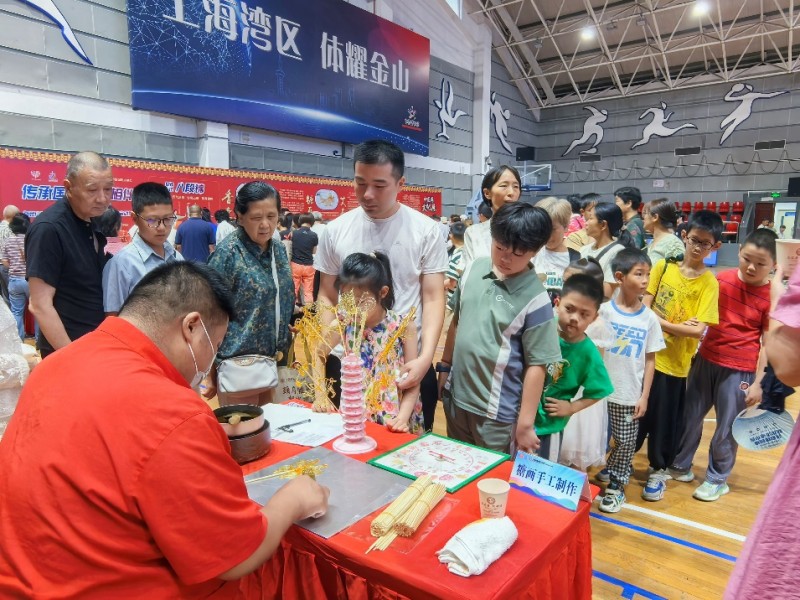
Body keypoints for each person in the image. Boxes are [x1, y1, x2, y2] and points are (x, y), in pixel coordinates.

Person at [0, 261, 328, 597]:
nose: (207, 364)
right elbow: (233, 559)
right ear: (191, 327)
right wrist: (293, 500)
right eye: (213, 348)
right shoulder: (173, 413)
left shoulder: (55, 365)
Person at [314, 140, 447, 431]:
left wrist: (425, 359)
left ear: (401, 183)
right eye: (360, 183)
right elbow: (326, 293)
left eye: (379, 185)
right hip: (348, 364)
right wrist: (328, 346)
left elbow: (435, 297)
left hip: (406, 362)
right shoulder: (335, 230)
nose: (368, 194)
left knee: (403, 443)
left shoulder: (426, 231)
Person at [438, 203, 560, 454]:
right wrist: (444, 367)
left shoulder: (536, 300)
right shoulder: (473, 269)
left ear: (534, 251)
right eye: (500, 247)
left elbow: (537, 365)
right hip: (457, 399)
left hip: (497, 415)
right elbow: (457, 321)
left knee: (492, 482)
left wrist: (525, 423)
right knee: (459, 468)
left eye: (517, 253)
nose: (505, 258)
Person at [669, 229, 776, 502]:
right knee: (689, 417)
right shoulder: (721, 280)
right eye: (747, 258)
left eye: (761, 263)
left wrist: (759, 383)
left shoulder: (772, 296)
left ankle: (717, 479)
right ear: (739, 251)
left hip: (739, 369)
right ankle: (681, 465)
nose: (752, 267)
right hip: (705, 359)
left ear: (774, 265)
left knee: (727, 428)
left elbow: (768, 343)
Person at [723, 263, 800, 598]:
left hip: (750, 370)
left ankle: (718, 477)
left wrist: (779, 300)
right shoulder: (725, 281)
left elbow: (789, 362)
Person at [637, 210, 722, 502]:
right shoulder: (663, 267)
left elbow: (698, 330)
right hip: (646, 357)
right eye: (694, 240)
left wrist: (661, 323)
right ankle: (620, 461)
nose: (698, 248)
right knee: (635, 415)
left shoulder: (709, 284)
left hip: (675, 366)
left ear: (715, 247)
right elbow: (643, 308)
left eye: (706, 244)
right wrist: (675, 327)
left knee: (664, 422)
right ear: (684, 237)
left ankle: (658, 470)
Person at [207, 182, 294, 406]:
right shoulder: (228, 254)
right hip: (241, 367)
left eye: (272, 216)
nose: (266, 225)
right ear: (240, 216)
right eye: (256, 218)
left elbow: (281, 295)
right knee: (244, 435)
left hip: (277, 362)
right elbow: (208, 312)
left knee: (278, 432)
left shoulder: (278, 250)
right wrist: (209, 370)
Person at [597, 249, 665, 513]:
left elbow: (650, 359)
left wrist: (644, 395)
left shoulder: (649, 319)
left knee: (626, 442)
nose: (646, 280)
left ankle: (617, 486)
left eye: (648, 274)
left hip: (629, 394)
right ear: (619, 277)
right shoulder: (603, 312)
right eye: (639, 274)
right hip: (600, 392)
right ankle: (604, 470)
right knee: (597, 441)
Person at [26, 151, 112, 358]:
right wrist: (72, 356)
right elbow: (39, 305)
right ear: (68, 187)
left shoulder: (91, 220)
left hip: (95, 342)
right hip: (67, 348)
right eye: (92, 190)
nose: (102, 198)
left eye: (108, 189)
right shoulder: (49, 229)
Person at [335, 252, 423, 433]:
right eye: (346, 299)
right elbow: (317, 352)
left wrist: (402, 418)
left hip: (395, 419)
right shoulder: (344, 323)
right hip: (355, 416)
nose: (353, 308)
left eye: (360, 301)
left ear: (383, 292)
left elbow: (413, 380)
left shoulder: (403, 326)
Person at [535, 274, 614, 461]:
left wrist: (571, 407)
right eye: (569, 309)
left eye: (584, 314)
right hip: (518, 417)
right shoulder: (542, 329)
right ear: (557, 302)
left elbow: (600, 389)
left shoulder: (588, 352)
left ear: (594, 317)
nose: (574, 318)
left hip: (549, 427)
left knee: (539, 476)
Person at [103, 182, 183, 315]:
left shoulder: (177, 258)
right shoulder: (122, 264)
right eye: (152, 221)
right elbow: (112, 317)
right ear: (135, 218)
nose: (162, 227)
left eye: (168, 219)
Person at [462, 165, 522, 268]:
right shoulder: (473, 233)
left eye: (516, 186)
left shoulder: (530, 230)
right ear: (487, 193)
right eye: (504, 185)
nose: (511, 192)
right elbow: (468, 274)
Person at [580, 201, 636, 298]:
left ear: (603, 225)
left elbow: (607, 292)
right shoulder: (583, 250)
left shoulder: (617, 252)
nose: (586, 223)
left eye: (590, 219)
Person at [534, 197, 580, 304]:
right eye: (542, 228)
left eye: (552, 229)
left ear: (566, 227)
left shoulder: (576, 259)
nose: (546, 234)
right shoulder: (530, 254)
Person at [0, 215, 32, 339]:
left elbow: (4, 261)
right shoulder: (31, 239)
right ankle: (39, 341)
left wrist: (14, 266)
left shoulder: (7, 241)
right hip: (31, 280)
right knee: (39, 310)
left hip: (14, 280)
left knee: (16, 312)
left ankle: (19, 340)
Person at [643, 198, 685, 264]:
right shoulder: (653, 242)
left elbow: (679, 272)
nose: (643, 217)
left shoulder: (673, 243)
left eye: (645, 213)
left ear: (655, 217)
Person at [289, 213, 318, 306]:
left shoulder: (294, 233)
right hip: (309, 266)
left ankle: (292, 311)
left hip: (296, 265)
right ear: (312, 222)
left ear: (300, 221)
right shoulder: (314, 235)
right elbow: (314, 251)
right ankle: (308, 314)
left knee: (294, 289)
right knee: (308, 291)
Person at [444, 221, 466, 315]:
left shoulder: (458, 256)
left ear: (451, 236)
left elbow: (452, 283)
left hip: (453, 302)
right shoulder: (467, 251)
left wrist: (439, 285)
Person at [0, 205, 20, 303]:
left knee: (5, 296)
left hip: (2, 265)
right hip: (8, 265)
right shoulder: (11, 231)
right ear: (15, 216)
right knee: (13, 299)